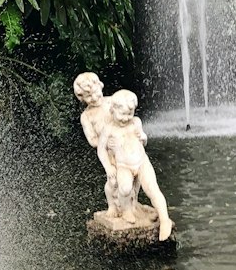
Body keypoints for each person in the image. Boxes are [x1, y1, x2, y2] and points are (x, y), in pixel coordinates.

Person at [104, 89, 174, 242]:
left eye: (129, 114)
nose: (125, 118)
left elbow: (143, 141)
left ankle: (164, 219)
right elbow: (101, 150)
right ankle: (127, 210)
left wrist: (143, 137)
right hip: (123, 165)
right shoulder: (109, 129)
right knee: (125, 188)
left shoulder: (136, 122)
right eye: (122, 115)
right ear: (112, 110)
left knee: (153, 189)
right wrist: (109, 167)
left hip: (142, 162)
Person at [73, 71, 120, 217]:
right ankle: (112, 205)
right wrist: (105, 142)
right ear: (82, 99)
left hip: (124, 146)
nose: (94, 98)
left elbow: (128, 118)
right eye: (88, 96)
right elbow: (92, 140)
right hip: (108, 152)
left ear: (100, 86)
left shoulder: (113, 101)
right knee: (113, 180)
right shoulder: (86, 116)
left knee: (132, 177)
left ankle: (131, 205)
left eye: (95, 92)